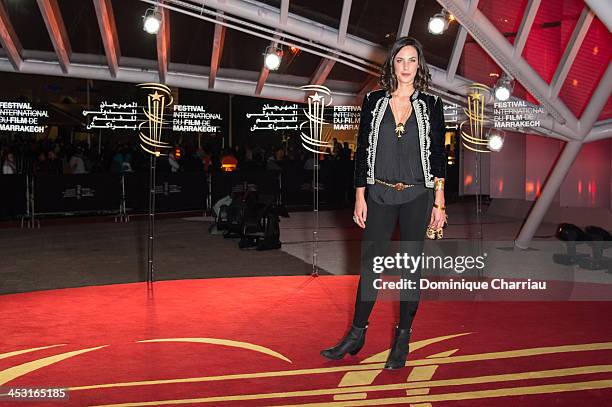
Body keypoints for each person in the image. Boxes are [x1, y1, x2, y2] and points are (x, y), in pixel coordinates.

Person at [320, 37, 447, 369]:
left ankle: (402, 338)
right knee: (370, 268)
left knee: (409, 270)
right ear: (392, 64)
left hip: (419, 195)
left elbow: (437, 155)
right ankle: (356, 333)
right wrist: (360, 194)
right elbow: (362, 149)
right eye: (400, 60)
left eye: (412, 60)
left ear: (420, 65)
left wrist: (440, 202)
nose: (406, 66)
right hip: (379, 193)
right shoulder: (374, 100)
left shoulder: (432, 103)